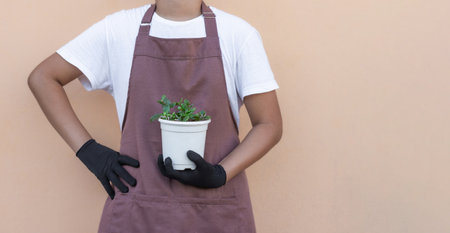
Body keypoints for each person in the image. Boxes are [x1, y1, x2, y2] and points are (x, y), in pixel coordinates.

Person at [28, 0, 282, 232]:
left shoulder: (238, 35)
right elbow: (43, 78)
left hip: (217, 212)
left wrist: (220, 173)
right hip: (138, 212)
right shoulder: (118, 30)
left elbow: (269, 124)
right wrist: (89, 151)